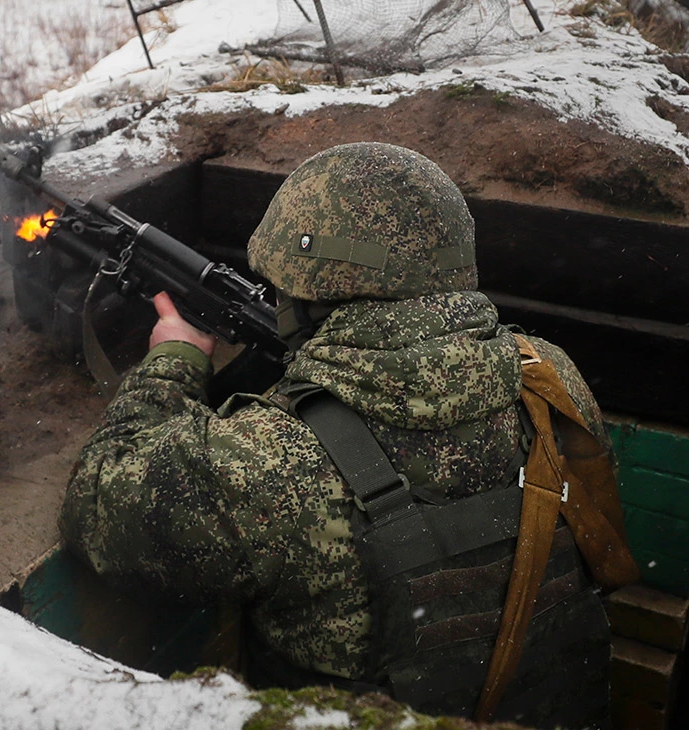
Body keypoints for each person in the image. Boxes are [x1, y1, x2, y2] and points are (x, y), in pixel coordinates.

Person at [60, 143, 636, 729]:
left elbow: (96, 508)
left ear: (307, 286)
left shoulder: (269, 457)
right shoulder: (548, 375)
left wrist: (173, 362)